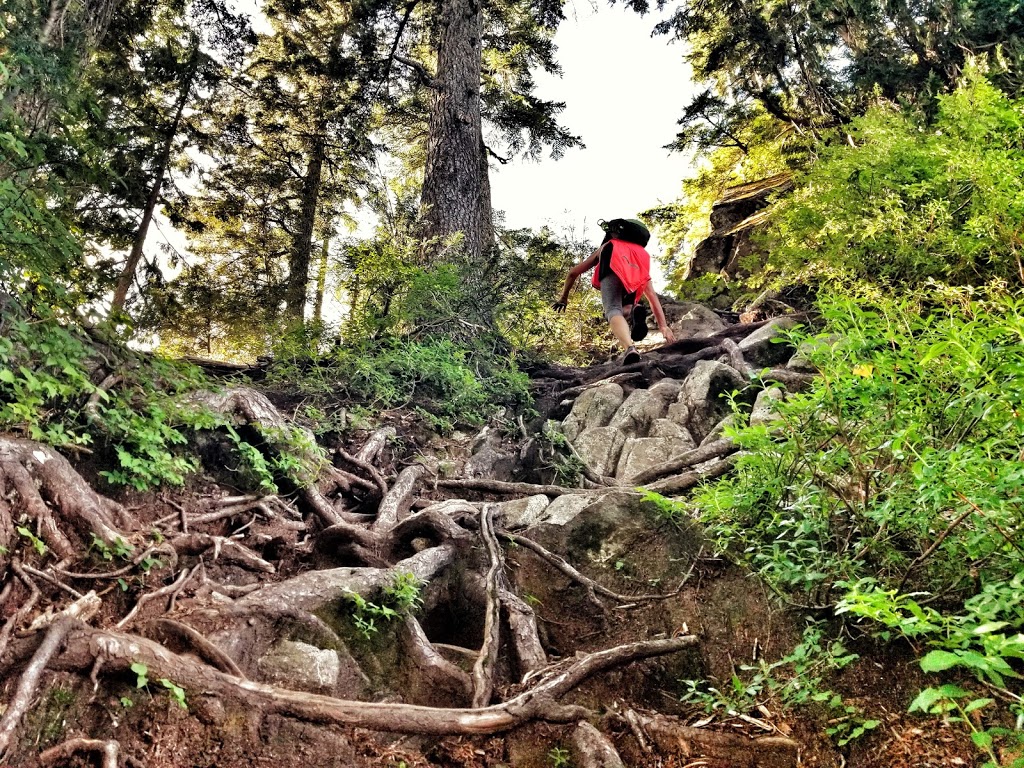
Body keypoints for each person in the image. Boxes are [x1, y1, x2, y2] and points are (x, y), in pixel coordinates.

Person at [553, 218, 676, 364]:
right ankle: (633, 309)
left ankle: (630, 348)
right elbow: (651, 295)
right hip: (633, 278)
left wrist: (564, 297)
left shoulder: (608, 245)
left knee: (612, 310)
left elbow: (573, 273)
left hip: (611, 269)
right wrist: (663, 326)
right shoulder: (642, 254)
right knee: (626, 308)